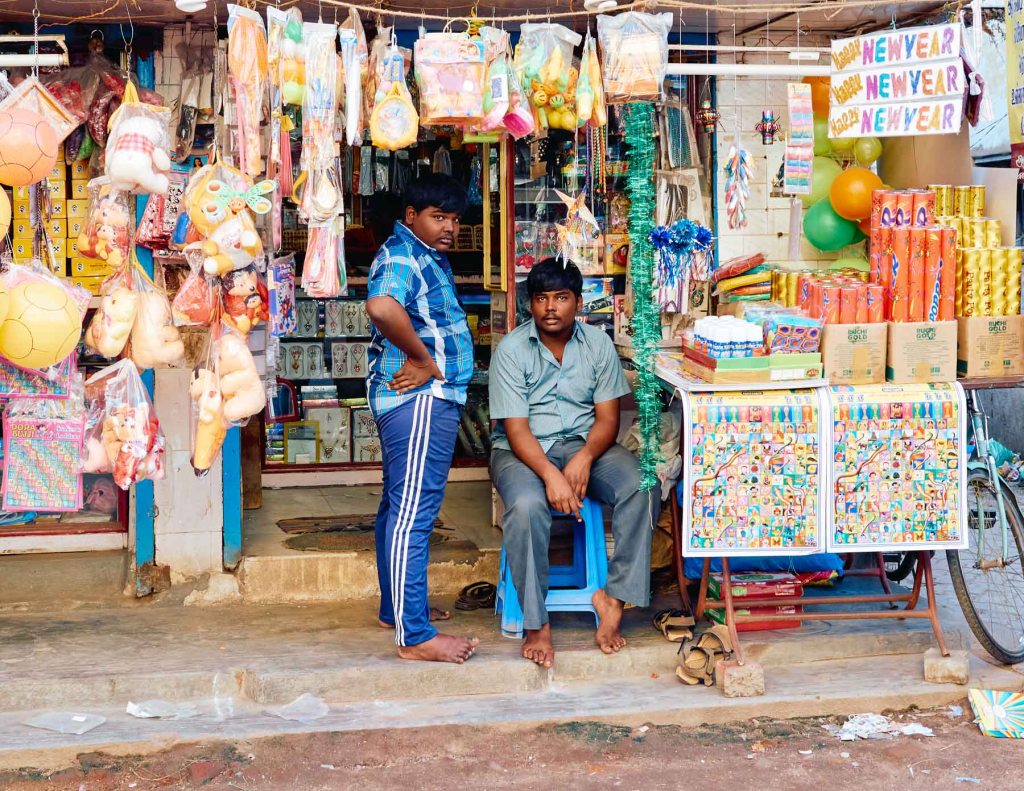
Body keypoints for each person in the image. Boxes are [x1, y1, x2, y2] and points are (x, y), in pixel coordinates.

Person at [489, 258, 658, 669]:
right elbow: (515, 430)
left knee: (642, 485)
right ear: (530, 304)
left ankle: (613, 597)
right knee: (528, 506)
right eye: (542, 298)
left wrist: (583, 459)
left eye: (561, 298)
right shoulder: (511, 350)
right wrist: (551, 476)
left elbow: (608, 419)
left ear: (578, 302)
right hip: (521, 452)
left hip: (585, 444)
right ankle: (536, 623)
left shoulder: (597, 345)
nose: (551, 307)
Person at [365, 173, 479, 664]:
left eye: (454, 219)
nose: (449, 227)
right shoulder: (402, 254)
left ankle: (398, 609)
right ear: (411, 216)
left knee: (399, 507)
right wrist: (423, 359)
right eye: (438, 217)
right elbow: (382, 306)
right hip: (421, 399)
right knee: (414, 515)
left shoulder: (423, 255)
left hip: (421, 398)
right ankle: (415, 636)